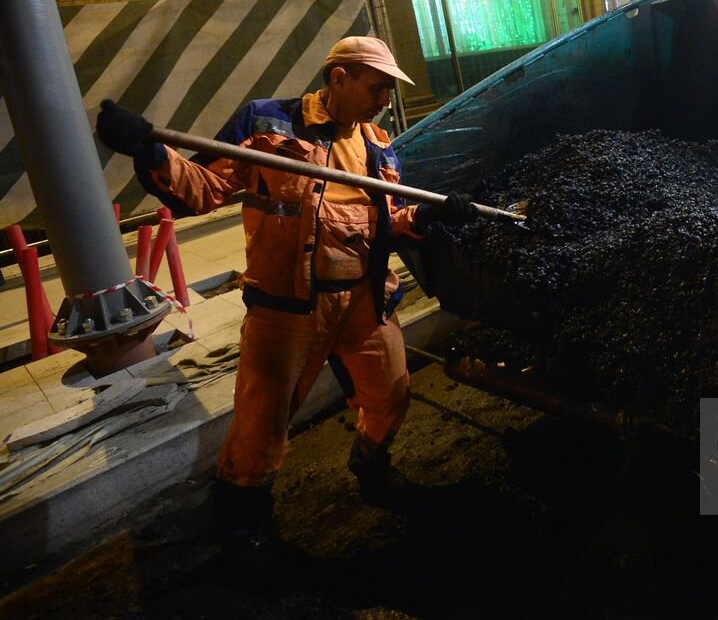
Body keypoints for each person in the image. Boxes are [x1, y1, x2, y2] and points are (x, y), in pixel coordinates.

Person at [96, 36, 475, 539]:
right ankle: (245, 526)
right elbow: (204, 188)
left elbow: (385, 220)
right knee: (262, 422)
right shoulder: (266, 123)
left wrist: (426, 216)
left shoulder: (378, 143)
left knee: (391, 392)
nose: (386, 100)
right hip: (289, 307)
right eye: (378, 87)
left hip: (364, 300)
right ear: (339, 77)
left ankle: (372, 468)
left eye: (389, 89)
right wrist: (148, 149)